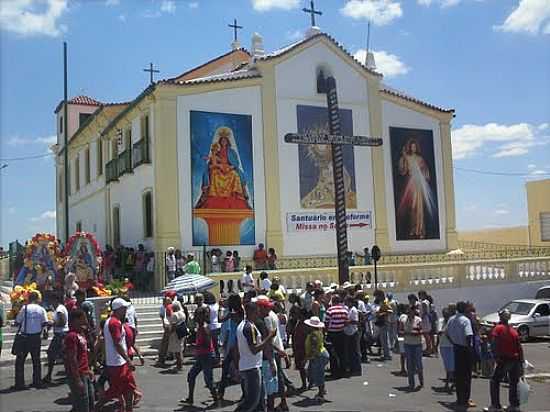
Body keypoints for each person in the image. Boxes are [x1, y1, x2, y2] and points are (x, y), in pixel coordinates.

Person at [97, 298, 137, 412]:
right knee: (113, 392)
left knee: (129, 390)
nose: (125, 310)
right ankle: (96, 408)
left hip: (119, 362)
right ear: (118, 309)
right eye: (124, 308)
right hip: (117, 363)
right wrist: (128, 360)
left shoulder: (112, 321)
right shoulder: (114, 323)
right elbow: (117, 344)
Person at [236, 302, 276, 412]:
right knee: (251, 401)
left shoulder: (242, 325)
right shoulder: (249, 327)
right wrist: (269, 336)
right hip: (251, 368)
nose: (258, 314)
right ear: (251, 312)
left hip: (249, 366)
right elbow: (254, 350)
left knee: (259, 401)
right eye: (257, 311)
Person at [484, 309, 524, 412]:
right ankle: (514, 406)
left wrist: (495, 356)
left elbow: (493, 343)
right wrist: (521, 361)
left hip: (503, 359)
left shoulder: (498, 329)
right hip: (515, 359)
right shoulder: (513, 330)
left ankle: (495, 406)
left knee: (494, 381)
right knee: (513, 382)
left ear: (500, 317)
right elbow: (519, 347)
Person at [181, 306, 218, 405]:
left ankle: (216, 397)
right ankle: (190, 398)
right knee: (191, 375)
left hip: (206, 356)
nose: (196, 317)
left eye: (197, 315)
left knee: (208, 380)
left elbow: (207, 343)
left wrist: (196, 346)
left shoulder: (204, 327)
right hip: (202, 356)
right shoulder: (200, 327)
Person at [14, 291, 48, 390]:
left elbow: (18, 321)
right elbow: (45, 323)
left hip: (24, 337)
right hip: (36, 338)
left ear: (29, 298)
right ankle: (37, 381)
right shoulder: (41, 309)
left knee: (20, 361)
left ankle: (20, 383)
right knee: (36, 360)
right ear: (37, 299)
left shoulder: (25, 308)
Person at [64, 309, 95, 412]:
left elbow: (84, 355)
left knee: (90, 400)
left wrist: (89, 369)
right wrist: (77, 379)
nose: (85, 320)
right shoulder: (71, 336)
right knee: (82, 403)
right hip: (78, 374)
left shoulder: (81, 333)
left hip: (85, 372)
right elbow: (72, 358)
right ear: (76, 320)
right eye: (83, 318)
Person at [446, 301, 475, 411]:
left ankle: (459, 399)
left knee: (458, 375)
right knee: (466, 376)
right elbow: (469, 336)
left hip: (456, 348)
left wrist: (453, 342)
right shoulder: (465, 320)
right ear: (465, 309)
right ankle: (465, 400)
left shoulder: (452, 319)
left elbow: (446, 333)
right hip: (465, 349)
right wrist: (469, 348)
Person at [44, 292, 69, 383]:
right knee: (63, 355)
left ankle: (49, 375)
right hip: (60, 334)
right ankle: (68, 374)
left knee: (52, 354)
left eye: (51, 300)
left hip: (61, 334)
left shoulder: (59, 309)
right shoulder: (57, 309)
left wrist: (52, 323)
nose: (50, 302)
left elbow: (62, 322)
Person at [305, 316, 329, 402]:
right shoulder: (318, 332)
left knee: (319, 375)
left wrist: (307, 358)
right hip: (321, 354)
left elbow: (314, 348)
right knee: (316, 373)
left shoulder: (313, 335)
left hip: (318, 356)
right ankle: (321, 389)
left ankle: (321, 393)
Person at [324, 294, 349, 378]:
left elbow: (326, 323)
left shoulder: (330, 310)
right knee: (342, 353)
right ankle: (343, 370)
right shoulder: (344, 310)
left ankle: (334, 371)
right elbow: (346, 322)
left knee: (332, 353)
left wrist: (326, 332)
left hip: (332, 333)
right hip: (341, 333)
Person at [401, 305, 424, 391]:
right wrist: (407, 332)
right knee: (409, 364)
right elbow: (400, 331)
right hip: (408, 343)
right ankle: (411, 383)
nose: (410, 312)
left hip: (417, 344)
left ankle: (421, 381)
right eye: (409, 311)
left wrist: (415, 331)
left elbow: (421, 330)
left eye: (412, 311)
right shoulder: (404, 320)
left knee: (419, 364)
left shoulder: (418, 319)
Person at [438, 305, 456, 393]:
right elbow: (439, 332)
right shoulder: (441, 321)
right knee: (447, 366)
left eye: (447, 314)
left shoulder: (452, 321)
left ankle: (450, 383)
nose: (445, 315)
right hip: (443, 345)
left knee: (452, 366)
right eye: (444, 314)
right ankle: (449, 382)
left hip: (451, 345)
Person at [344, 295, 362, 376]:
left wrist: (348, 322)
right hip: (348, 332)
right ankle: (352, 368)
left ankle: (357, 369)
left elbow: (356, 321)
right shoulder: (348, 309)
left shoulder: (354, 310)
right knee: (350, 351)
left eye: (347, 301)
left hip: (353, 332)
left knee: (355, 351)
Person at [292, 307, 308, 390]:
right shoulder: (298, 322)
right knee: (301, 367)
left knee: (303, 367)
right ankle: (306, 383)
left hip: (303, 348)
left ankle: (305, 384)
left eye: (299, 314)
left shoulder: (306, 324)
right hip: (298, 348)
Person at [168, 301, 187, 370]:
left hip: (176, 333)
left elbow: (173, 325)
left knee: (177, 350)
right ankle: (180, 363)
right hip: (182, 332)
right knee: (180, 348)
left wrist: (170, 333)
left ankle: (179, 365)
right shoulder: (182, 313)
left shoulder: (174, 315)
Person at [156, 296, 173, 367]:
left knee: (169, 342)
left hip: (171, 326)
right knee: (165, 343)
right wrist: (164, 325)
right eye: (168, 301)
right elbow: (163, 317)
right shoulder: (163, 308)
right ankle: (162, 358)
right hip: (168, 326)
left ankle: (169, 355)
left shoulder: (171, 307)